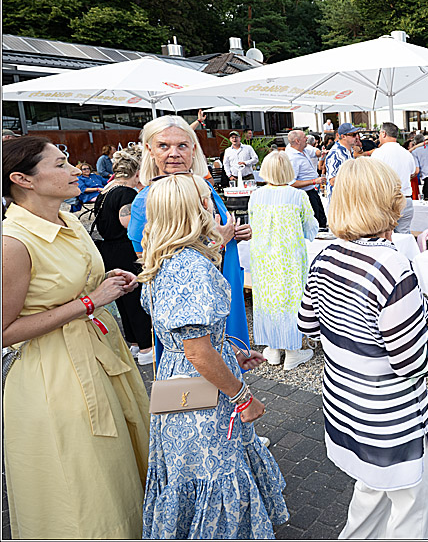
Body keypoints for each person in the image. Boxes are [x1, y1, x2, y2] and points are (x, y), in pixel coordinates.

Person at [298, 157, 428, 538]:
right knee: (410, 513)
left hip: (345, 405)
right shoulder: (393, 267)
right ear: (391, 203)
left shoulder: (325, 255)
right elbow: (412, 362)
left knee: (369, 496)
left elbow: (306, 324)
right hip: (393, 421)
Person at [3, 136, 149, 539]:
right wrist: (90, 301)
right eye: (61, 164)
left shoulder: (67, 220)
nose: (75, 171)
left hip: (101, 354)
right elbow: (4, 332)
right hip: (57, 378)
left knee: (119, 470)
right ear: (23, 180)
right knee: (86, 486)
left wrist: (107, 282)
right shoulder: (12, 243)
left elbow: (74, 284)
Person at [138, 173, 288, 538]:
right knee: (212, 468)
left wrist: (229, 353)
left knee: (184, 467)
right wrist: (242, 396)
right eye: (208, 199)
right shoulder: (191, 266)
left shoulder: (165, 256)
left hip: (174, 376)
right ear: (198, 208)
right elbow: (198, 351)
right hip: (199, 387)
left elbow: (186, 340)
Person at [128, 115, 253, 361]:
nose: (174, 153)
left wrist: (236, 235)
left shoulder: (203, 187)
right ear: (150, 150)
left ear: (193, 149)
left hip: (225, 286)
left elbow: (217, 230)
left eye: (182, 145)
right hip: (190, 313)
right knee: (203, 380)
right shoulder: (148, 199)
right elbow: (148, 260)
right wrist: (219, 241)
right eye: (164, 146)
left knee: (230, 364)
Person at [248, 151, 319, 369]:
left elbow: (252, 222)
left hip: (262, 257)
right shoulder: (297, 196)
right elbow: (310, 227)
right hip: (289, 257)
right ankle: (292, 351)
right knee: (291, 300)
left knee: (266, 299)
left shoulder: (255, 196)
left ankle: (273, 348)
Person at [94, 146, 154, 364]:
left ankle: (135, 343)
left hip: (108, 249)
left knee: (122, 299)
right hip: (125, 250)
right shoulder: (126, 193)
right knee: (135, 300)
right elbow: (129, 225)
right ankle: (147, 347)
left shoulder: (106, 189)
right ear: (138, 171)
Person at [372, 122, 419, 232]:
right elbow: (413, 172)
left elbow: (373, 177)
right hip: (406, 199)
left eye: (379, 133)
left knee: (385, 237)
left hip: (388, 200)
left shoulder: (378, 153)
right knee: (404, 237)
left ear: (383, 134)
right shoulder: (407, 153)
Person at [284, 129, 328, 230]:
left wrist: (321, 152)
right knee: (314, 223)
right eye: (304, 137)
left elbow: (314, 152)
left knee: (321, 220)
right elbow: (291, 183)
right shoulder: (292, 158)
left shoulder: (302, 148)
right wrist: (314, 181)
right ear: (297, 141)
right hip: (304, 195)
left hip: (312, 191)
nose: (307, 138)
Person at [323, 122, 358, 206]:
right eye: (353, 134)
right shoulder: (336, 153)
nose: (356, 137)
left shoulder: (348, 150)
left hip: (347, 198)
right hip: (339, 201)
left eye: (356, 134)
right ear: (343, 136)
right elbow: (332, 181)